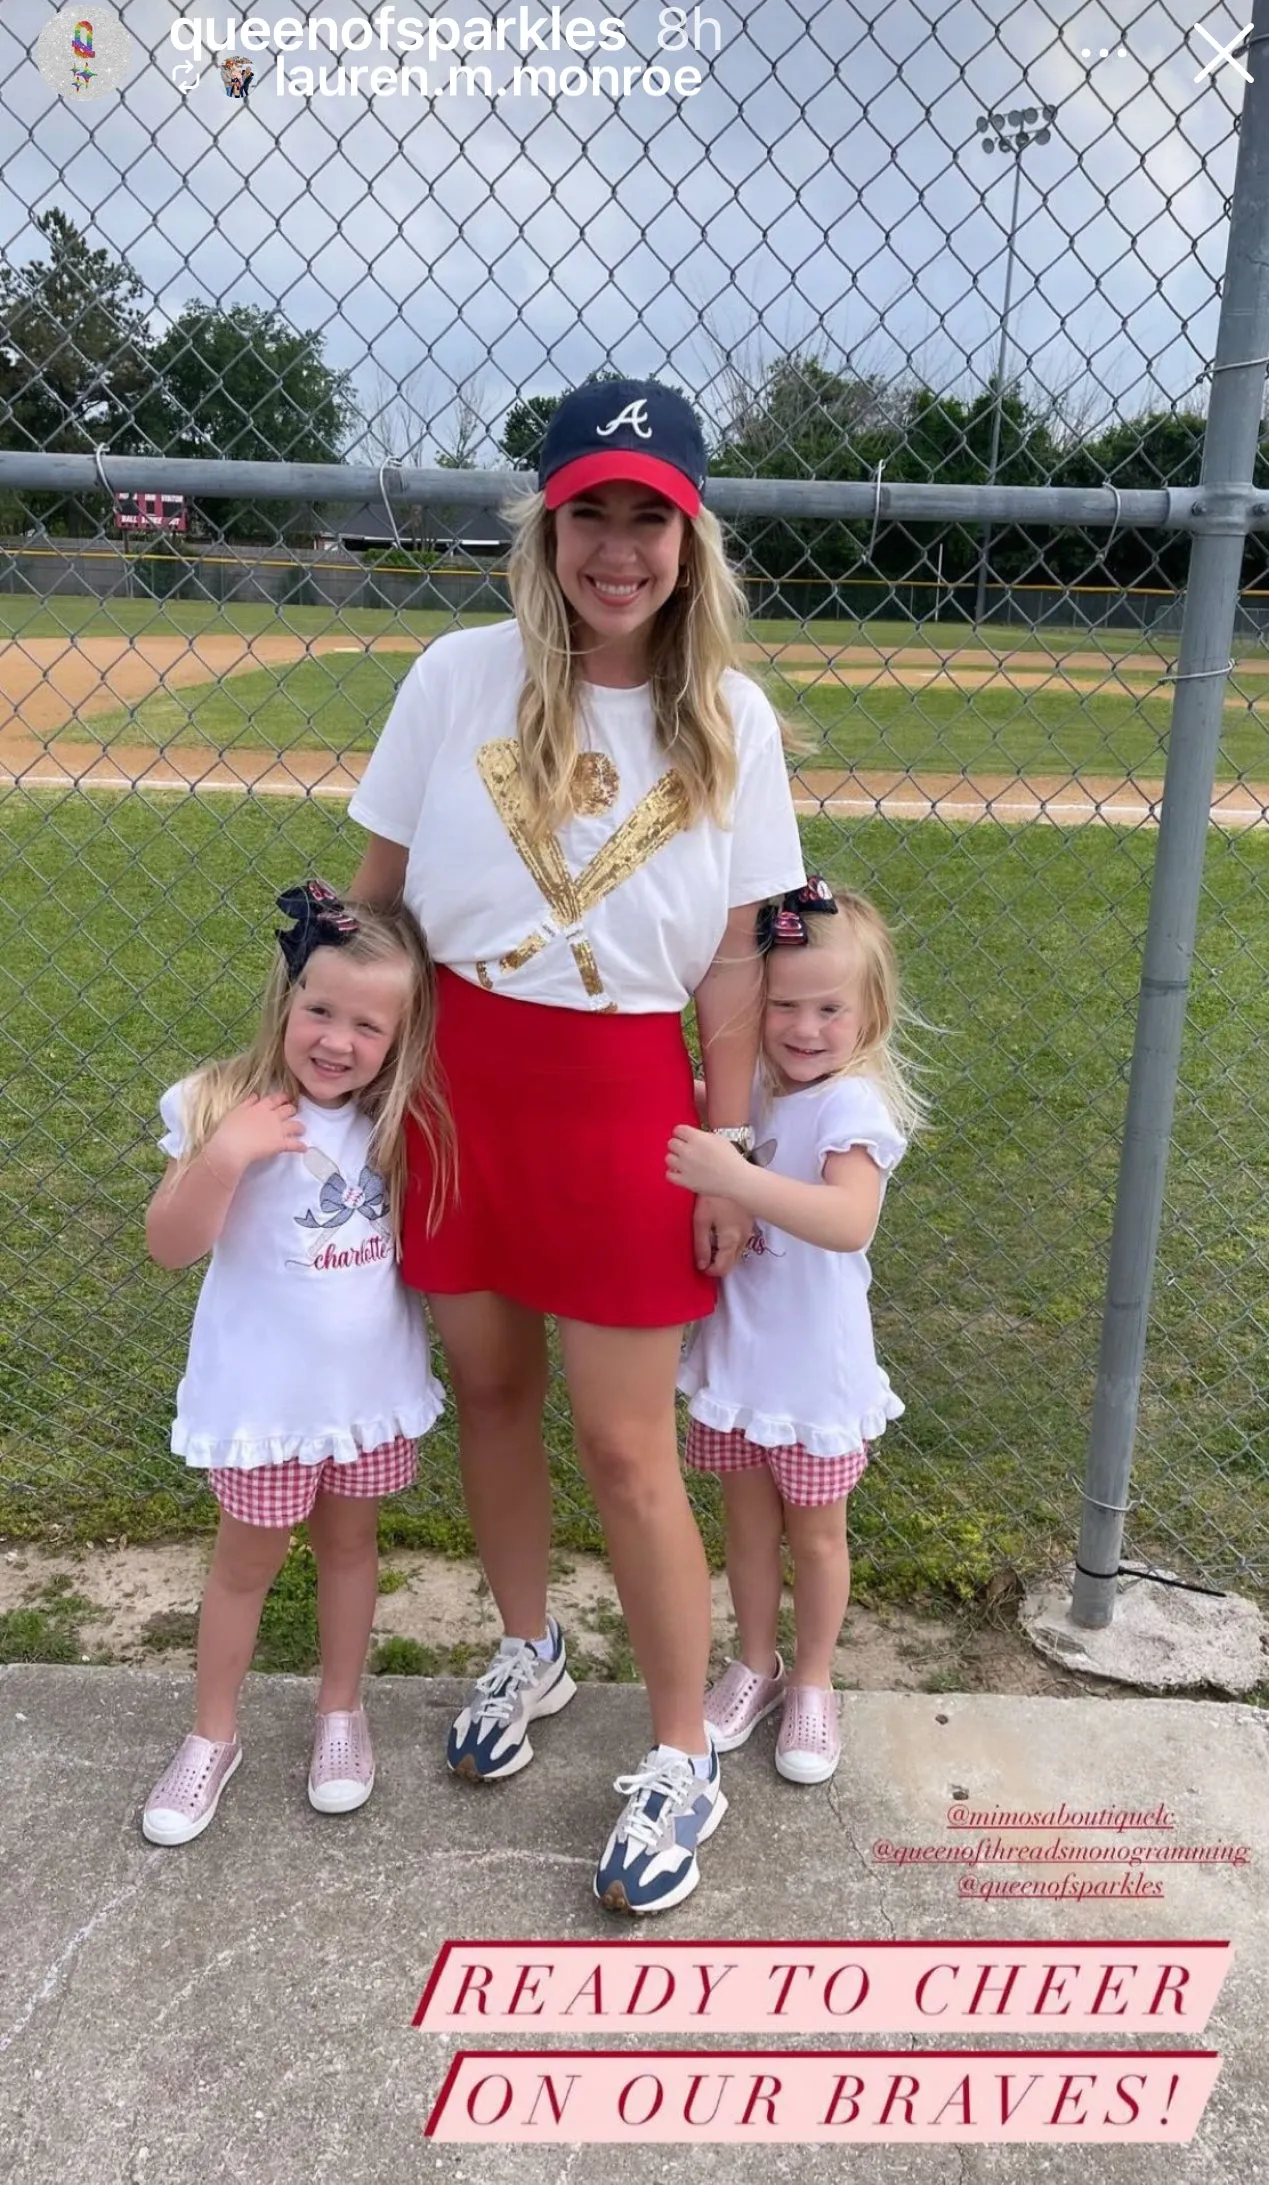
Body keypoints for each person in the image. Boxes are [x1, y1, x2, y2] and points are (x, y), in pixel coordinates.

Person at [346, 377, 805, 1913]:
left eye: (648, 516)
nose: (618, 547)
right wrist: (345, 1074)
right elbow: (383, 896)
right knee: (488, 1382)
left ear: (691, 539)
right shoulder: (458, 675)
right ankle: (530, 1645)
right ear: (544, 529)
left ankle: (680, 1750)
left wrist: (729, 1144)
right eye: (588, 512)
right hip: (461, 1079)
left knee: (627, 1445)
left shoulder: (731, 715)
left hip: (626, 1099)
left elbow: (735, 959)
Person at [139, 882, 451, 1846]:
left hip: (362, 1401)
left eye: (367, 1023)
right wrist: (224, 1156)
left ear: (398, 1037)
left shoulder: (400, 1121)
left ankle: (339, 1712)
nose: (337, 1040)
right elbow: (168, 1244)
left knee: (352, 1550)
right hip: (265, 1405)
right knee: (244, 1567)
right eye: (319, 1009)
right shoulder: (219, 1101)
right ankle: (212, 1735)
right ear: (286, 999)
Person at [668, 880, 921, 1785]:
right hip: (741, 1368)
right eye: (782, 1004)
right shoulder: (753, 1094)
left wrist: (729, 1176)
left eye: (828, 1007)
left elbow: (848, 1220)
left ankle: (814, 1679)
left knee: (815, 1536)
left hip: (813, 1380)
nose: (804, 1027)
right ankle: (756, 1664)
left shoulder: (851, 1109)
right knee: (745, 1530)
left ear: (869, 1013)